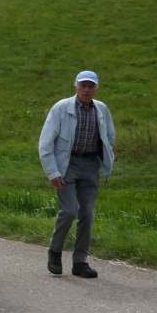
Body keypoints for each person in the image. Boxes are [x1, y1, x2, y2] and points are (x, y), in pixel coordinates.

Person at [39, 69, 116, 279]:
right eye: (83, 85)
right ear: (76, 86)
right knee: (70, 210)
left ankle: (80, 261)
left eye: (91, 86)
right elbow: (45, 143)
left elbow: (109, 136)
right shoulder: (61, 108)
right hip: (67, 164)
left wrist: (106, 160)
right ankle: (55, 251)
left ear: (96, 88)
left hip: (90, 165)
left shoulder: (101, 110)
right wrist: (53, 171)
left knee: (87, 214)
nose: (87, 89)